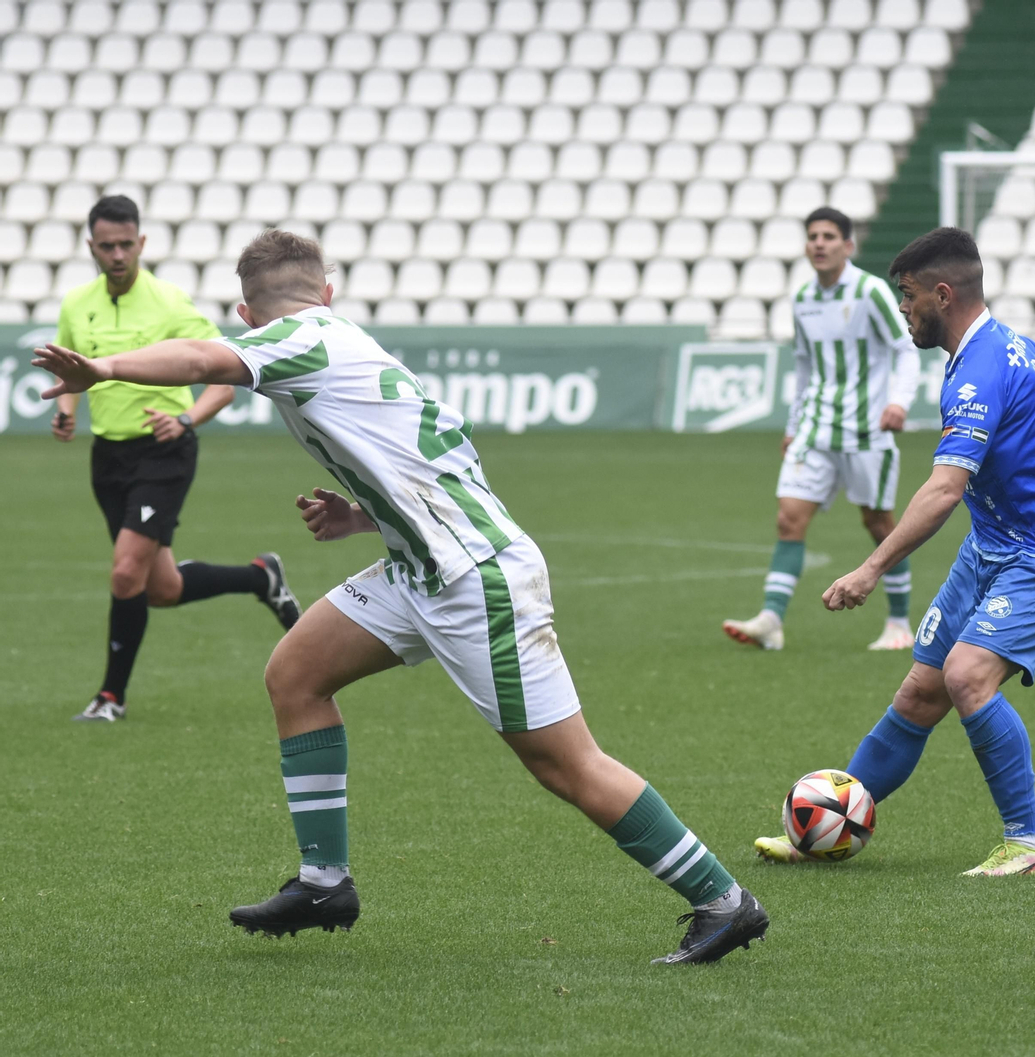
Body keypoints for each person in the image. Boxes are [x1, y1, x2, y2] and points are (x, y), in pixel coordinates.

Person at [34, 230, 767, 965]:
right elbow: (446, 441)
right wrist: (367, 513)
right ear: (329, 289)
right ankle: (324, 883)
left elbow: (198, 357)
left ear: (246, 313)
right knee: (296, 674)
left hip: (474, 578)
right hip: (421, 566)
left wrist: (100, 367)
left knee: (566, 764)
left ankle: (723, 900)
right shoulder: (346, 336)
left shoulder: (294, 338)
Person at [753, 227, 1035, 875]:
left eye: (907, 297)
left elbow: (943, 488)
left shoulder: (979, 370)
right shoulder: (1009, 345)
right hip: (991, 551)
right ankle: (824, 826)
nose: (903, 309)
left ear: (942, 293)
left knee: (965, 676)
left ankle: (1029, 844)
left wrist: (873, 566)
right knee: (918, 695)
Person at [52, 195, 300, 723]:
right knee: (159, 589)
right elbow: (72, 368)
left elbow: (224, 384)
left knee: (124, 575)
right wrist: (67, 407)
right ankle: (262, 578)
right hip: (109, 458)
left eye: (126, 244)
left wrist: (186, 419)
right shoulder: (77, 304)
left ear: (141, 243)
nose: (117, 254)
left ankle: (110, 698)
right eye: (106, 245)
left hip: (164, 453)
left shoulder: (170, 304)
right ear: (91, 247)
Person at [722, 208, 923, 652]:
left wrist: (898, 401)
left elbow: (904, 349)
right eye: (812, 236)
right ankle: (771, 620)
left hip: (865, 429)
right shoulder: (802, 299)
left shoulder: (869, 292)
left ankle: (898, 623)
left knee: (879, 524)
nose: (819, 243)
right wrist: (794, 424)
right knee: (788, 520)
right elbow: (804, 365)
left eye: (829, 236)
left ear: (847, 246)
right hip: (815, 430)